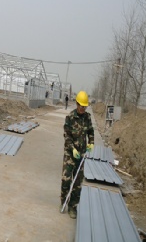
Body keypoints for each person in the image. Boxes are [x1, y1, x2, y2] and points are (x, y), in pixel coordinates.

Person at [60, 90, 94, 219]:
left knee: (77, 183)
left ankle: (73, 207)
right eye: (81, 105)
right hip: (70, 154)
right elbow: (67, 135)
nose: (82, 108)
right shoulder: (70, 117)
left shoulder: (88, 117)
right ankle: (63, 201)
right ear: (76, 103)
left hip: (82, 154)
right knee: (66, 180)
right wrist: (72, 148)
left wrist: (91, 143)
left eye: (84, 106)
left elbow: (90, 131)